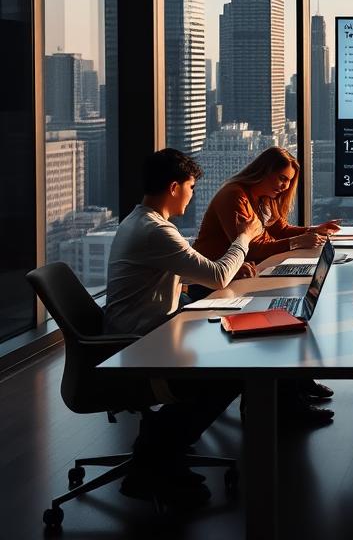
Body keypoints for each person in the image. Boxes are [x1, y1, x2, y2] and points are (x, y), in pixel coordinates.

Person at [104, 149, 262, 509]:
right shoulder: (156, 231)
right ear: (174, 187)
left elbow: (188, 277)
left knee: (225, 349)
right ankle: (156, 457)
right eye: (190, 186)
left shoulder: (139, 222)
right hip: (141, 347)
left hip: (148, 335)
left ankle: (161, 445)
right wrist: (243, 238)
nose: (192, 194)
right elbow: (218, 275)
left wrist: (226, 270)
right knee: (232, 373)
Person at [191, 146, 341, 417]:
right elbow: (252, 248)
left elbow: (279, 230)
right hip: (214, 282)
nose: (284, 187)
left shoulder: (263, 198)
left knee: (289, 313)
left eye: (288, 181)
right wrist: (297, 242)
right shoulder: (234, 196)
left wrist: (312, 231)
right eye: (282, 179)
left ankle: (296, 384)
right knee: (277, 321)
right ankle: (286, 404)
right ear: (264, 171)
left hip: (242, 276)